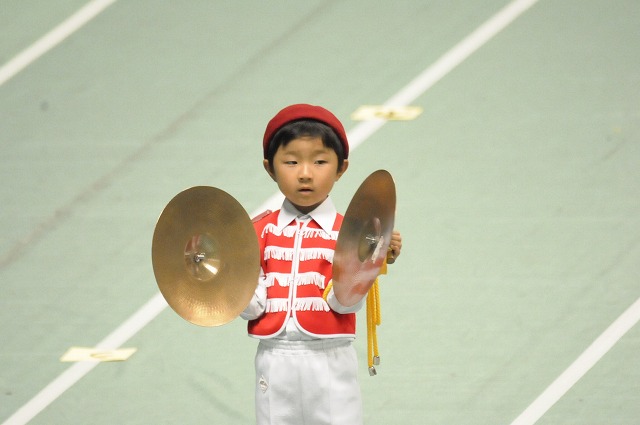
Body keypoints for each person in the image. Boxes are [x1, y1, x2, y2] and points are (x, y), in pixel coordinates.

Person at [241, 104, 402, 425]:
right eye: (291, 162)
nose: (305, 173)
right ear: (270, 168)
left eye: (319, 161)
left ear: (341, 168)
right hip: (274, 359)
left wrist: (369, 259)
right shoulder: (255, 232)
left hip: (330, 360)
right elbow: (253, 307)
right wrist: (227, 271)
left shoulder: (353, 233)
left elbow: (344, 304)